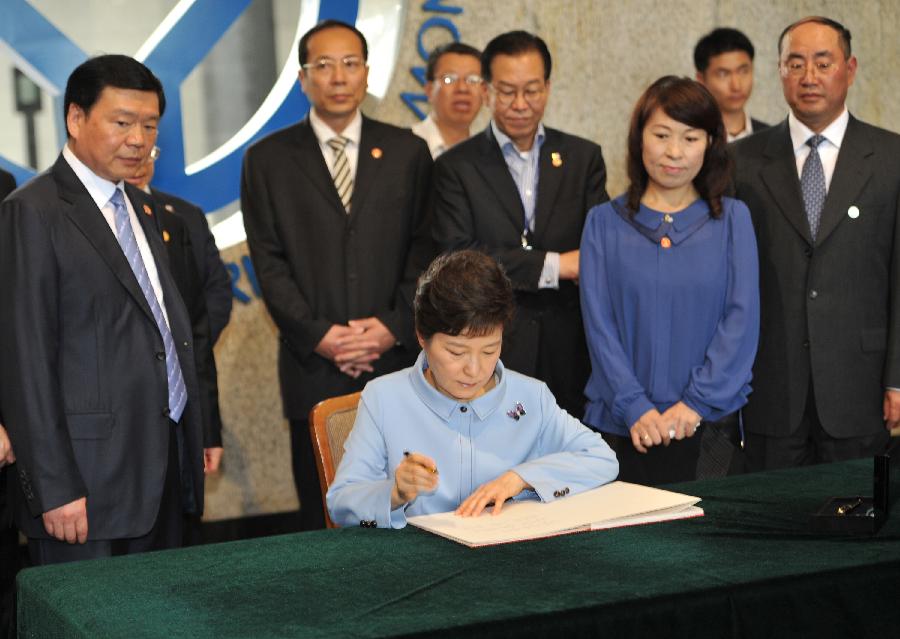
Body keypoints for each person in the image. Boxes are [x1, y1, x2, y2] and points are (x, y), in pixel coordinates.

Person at [0, 54, 214, 565]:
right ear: (76, 119)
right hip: (85, 485)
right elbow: (24, 361)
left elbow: (164, 329)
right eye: (122, 123)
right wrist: (53, 487)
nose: (138, 139)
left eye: (149, 125)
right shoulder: (33, 211)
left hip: (162, 468)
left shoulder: (141, 207)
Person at [241, 20, 434, 530]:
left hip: (397, 362)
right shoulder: (267, 160)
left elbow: (425, 249)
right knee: (322, 515)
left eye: (350, 64)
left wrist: (393, 325)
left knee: (410, 510)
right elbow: (269, 262)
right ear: (303, 79)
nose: (338, 76)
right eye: (322, 66)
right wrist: (322, 336)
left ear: (367, 74)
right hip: (314, 366)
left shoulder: (408, 152)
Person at [327, 250, 618, 528]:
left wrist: (521, 478)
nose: (474, 370)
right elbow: (341, 503)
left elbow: (601, 459)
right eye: (456, 352)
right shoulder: (385, 398)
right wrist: (395, 493)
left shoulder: (529, 397)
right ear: (421, 337)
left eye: (490, 350)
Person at [733, 17, 900, 470]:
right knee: (777, 526)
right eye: (796, 63)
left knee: (858, 523)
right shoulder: (740, 162)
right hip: (769, 384)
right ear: (780, 71)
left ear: (850, 68)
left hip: (861, 385)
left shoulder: (891, 158)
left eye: (822, 63)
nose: (809, 76)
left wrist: (897, 380)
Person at [579, 76, 759, 486]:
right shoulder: (603, 223)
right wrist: (635, 406)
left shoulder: (732, 219)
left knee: (710, 546)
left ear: (710, 144)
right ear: (639, 138)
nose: (674, 152)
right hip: (622, 426)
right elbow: (599, 328)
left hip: (708, 426)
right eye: (661, 135)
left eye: (690, 138)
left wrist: (694, 404)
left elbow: (741, 321)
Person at [433, 30, 608, 419]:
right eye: (507, 91)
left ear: (547, 87)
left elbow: (601, 246)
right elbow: (459, 255)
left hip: (573, 344)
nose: (520, 104)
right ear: (486, 91)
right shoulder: (455, 167)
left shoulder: (583, 158)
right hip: (491, 345)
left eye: (531, 90)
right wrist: (557, 265)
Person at [128, 147, 232, 345]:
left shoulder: (188, 215)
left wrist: (193, 346)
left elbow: (217, 289)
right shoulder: (98, 217)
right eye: (132, 158)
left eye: (148, 155)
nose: (140, 166)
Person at [694, 27, 769, 142]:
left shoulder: (771, 138)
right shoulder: (692, 138)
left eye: (743, 71)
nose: (736, 86)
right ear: (701, 80)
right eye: (723, 74)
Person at [412, 42, 483, 159]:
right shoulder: (402, 146)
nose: (462, 88)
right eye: (449, 79)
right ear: (429, 90)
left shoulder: (490, 159)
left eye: (473, 80)